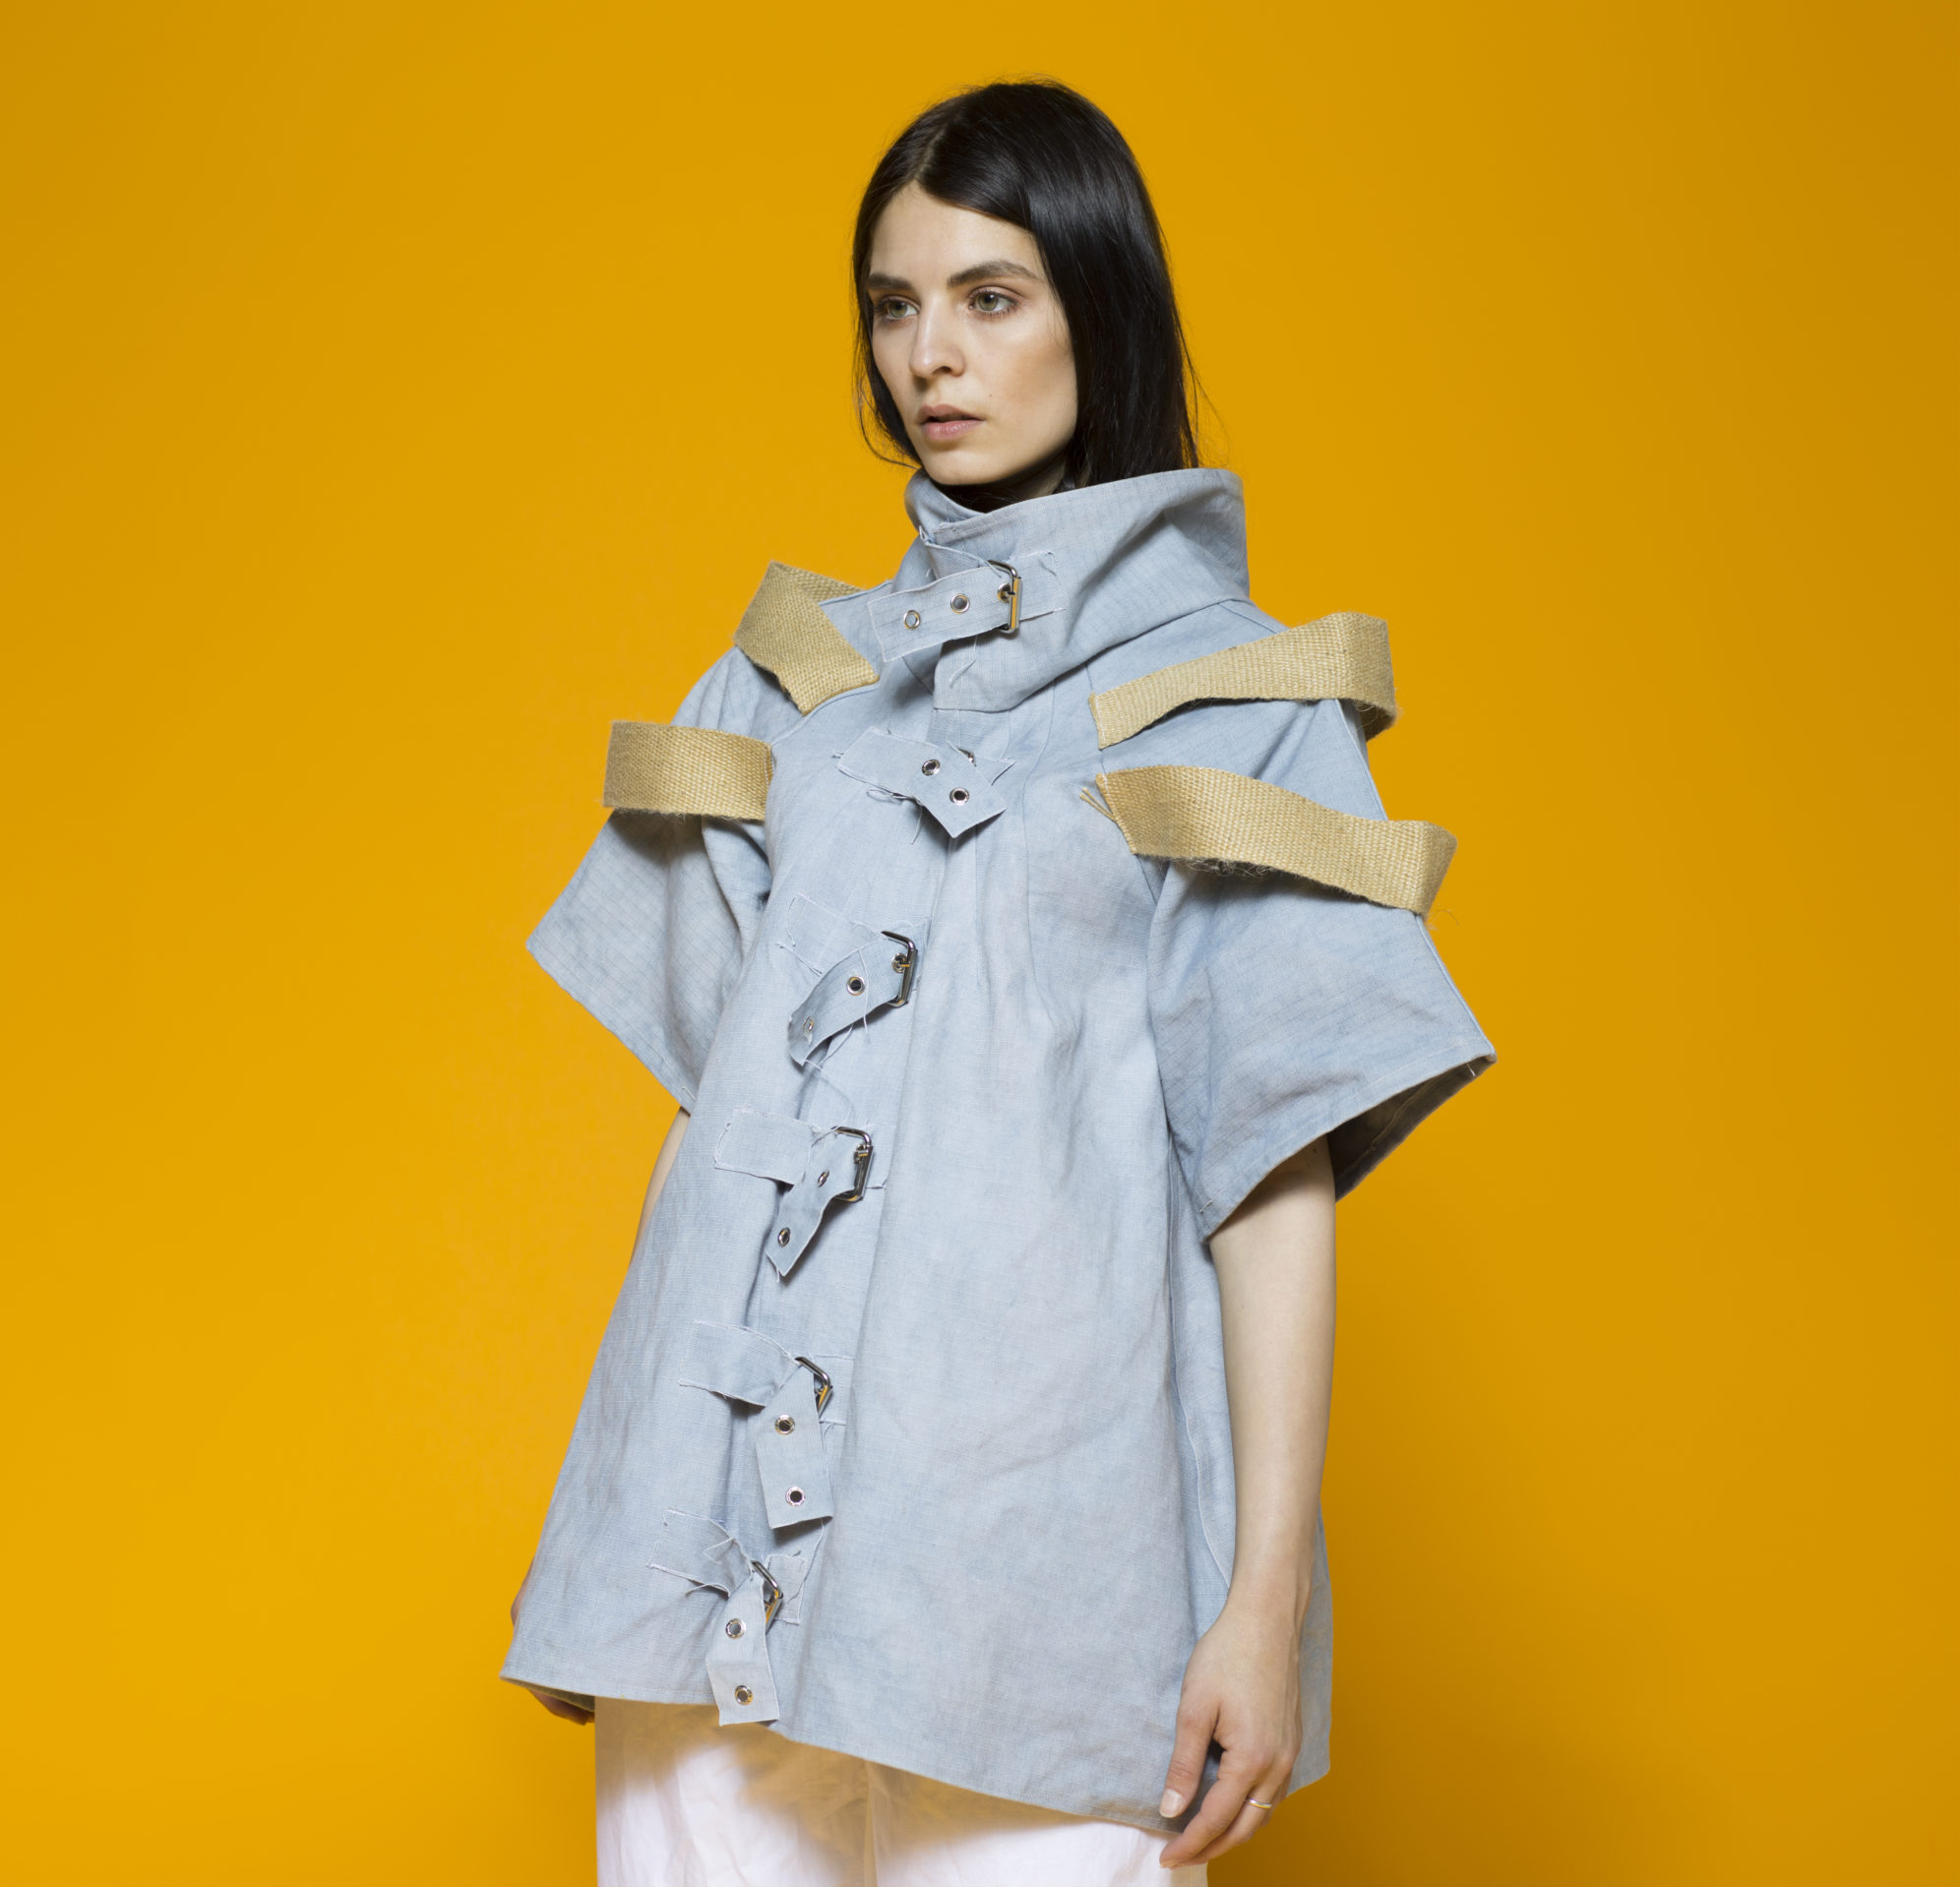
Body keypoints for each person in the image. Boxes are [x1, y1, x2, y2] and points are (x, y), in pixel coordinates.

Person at [505, 79, 1492, 1887]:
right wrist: (626, 1528)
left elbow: (1270, 1173)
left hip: (1049, 1579)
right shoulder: (786, 684)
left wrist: (1264, 1597)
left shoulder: (1242, 702)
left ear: (1097, 308)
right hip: (725, 1587)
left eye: (991, 296)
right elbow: (719, 1135)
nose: (930, 357)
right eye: (895, 305)